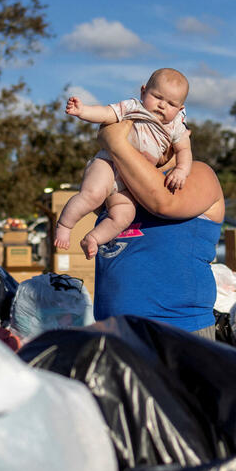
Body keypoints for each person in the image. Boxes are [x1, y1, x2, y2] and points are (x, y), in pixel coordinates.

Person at [90, 120, 224, 340]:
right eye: (140, 131)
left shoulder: (200, 173)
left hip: (179, 334)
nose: (147, 138)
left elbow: (163, 203)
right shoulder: (120, 186)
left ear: (183, 135)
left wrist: (114, 142)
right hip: (114, 335)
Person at [55, 68, 193, 258]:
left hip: (130, 183)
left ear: (181, 109)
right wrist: (83, 111)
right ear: (143, 92)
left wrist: (181, 170)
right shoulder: (134, 107)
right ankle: (64, 225)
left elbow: (184, 150)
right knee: (92, 195)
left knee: (124, 216)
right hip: (109, 164)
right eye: (157, 97)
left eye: (171, 104)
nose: (162, 105)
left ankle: (93, 238)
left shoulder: (177, 126)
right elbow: (106, 113)